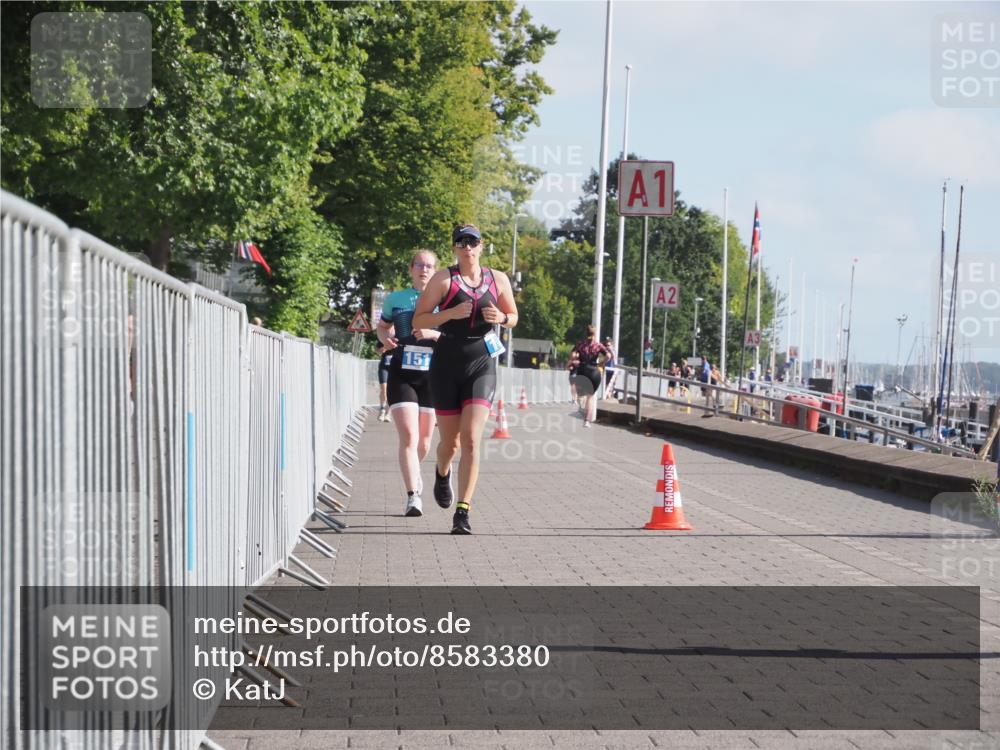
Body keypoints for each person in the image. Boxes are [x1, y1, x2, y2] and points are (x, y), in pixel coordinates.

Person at [412, 224, 518, 535]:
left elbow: (513, 316)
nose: (467, 247)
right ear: (455, 248)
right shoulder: (443, 280)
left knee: (471, 438)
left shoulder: (498, 279)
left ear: (482, 246)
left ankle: (463, 511)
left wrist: (502, 318)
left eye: (472, 242)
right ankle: (442, 472)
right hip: (446, 362)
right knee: (451, 443)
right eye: (461, 242)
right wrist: (449, 314)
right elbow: (419, 319)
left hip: (481, 362)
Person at [377, 250, 442, 517]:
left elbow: (452, 335)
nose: (424, 269)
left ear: (435, 270)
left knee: (424, 443)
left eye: (429, 266)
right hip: (402, 371)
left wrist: (433, 334)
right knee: (409, 437)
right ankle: (412, 495)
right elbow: (382, 327)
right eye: (419, 265)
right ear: (411, 268)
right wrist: (385, 339)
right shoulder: (396, 298)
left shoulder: (444, 298)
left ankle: (415, 473)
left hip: (433, 375)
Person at [572, 325, 611, 428]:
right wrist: (601, 363)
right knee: (590, 397)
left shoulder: (579, 344)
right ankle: (587, 421)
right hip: (594, 372)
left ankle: (578, 401)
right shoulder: (598, 346)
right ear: (594, 334)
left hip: (582, 370)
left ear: (586, 333)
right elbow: (609, 356)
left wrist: (576, 358)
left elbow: (572, 355)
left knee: (581, 394)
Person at [375, 340, 393, 422]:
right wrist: (382, 349)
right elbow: (377, 350)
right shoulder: (384, 337)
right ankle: (382, 410)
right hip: (384, 367)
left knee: (391, 391)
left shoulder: (401, 337)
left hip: (395, 368)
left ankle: (388, 413)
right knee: (384, 390)